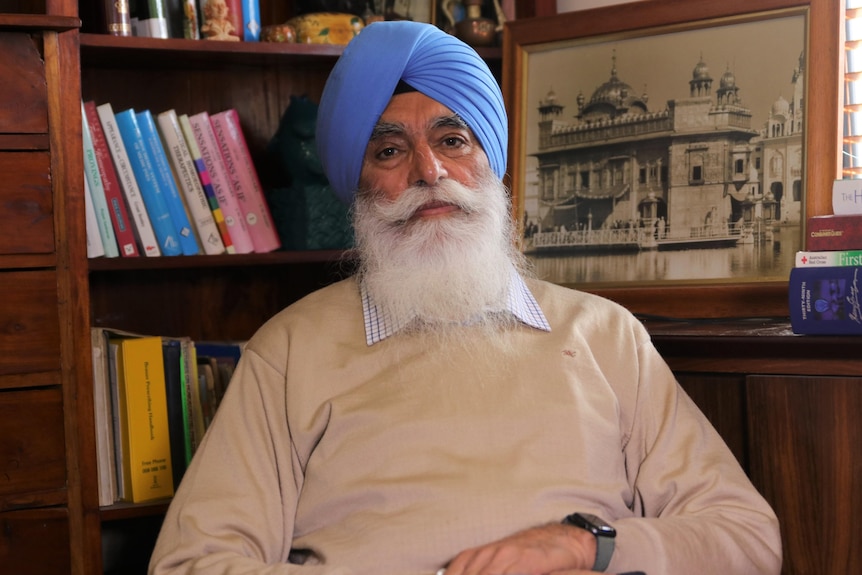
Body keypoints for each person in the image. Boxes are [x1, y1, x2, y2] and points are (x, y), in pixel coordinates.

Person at [148, 21, 782, 575]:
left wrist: (585, 548)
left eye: (452, 141)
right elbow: (191, 563)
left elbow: (746, 538)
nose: (430, 172)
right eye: (390, 150)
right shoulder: (289, 351)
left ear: (491, 163)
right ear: (360, 186)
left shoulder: (604, 335)